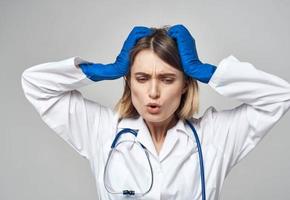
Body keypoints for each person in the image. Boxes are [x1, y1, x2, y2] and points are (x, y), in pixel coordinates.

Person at [21, 24, 290, 200]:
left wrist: (207, 71)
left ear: (185, 83)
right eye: (141, 78)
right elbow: (35, 84)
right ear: (128, 81)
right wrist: (104, 70)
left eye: (167, 79)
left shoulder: (214, 137)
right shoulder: (103, 130)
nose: (153, 92)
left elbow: (279, 96)